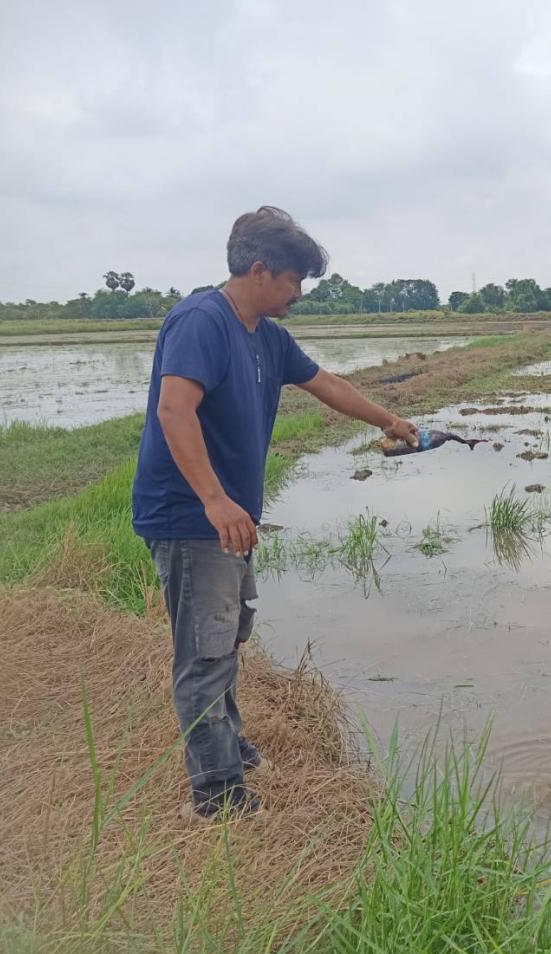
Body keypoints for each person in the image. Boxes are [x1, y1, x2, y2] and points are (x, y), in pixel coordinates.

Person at [132, 206, 419, 819]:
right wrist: (214, 499)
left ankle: (228, 744)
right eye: (292, 281)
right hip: (192, 517)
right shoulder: (200, 322)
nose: (297, 293)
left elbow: (327, 385)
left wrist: (389, 420)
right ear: (259, 270)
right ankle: (216, 795)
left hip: (229, 519)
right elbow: (173, 413)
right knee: (205, 653)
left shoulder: (268, 334)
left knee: (229, 634)